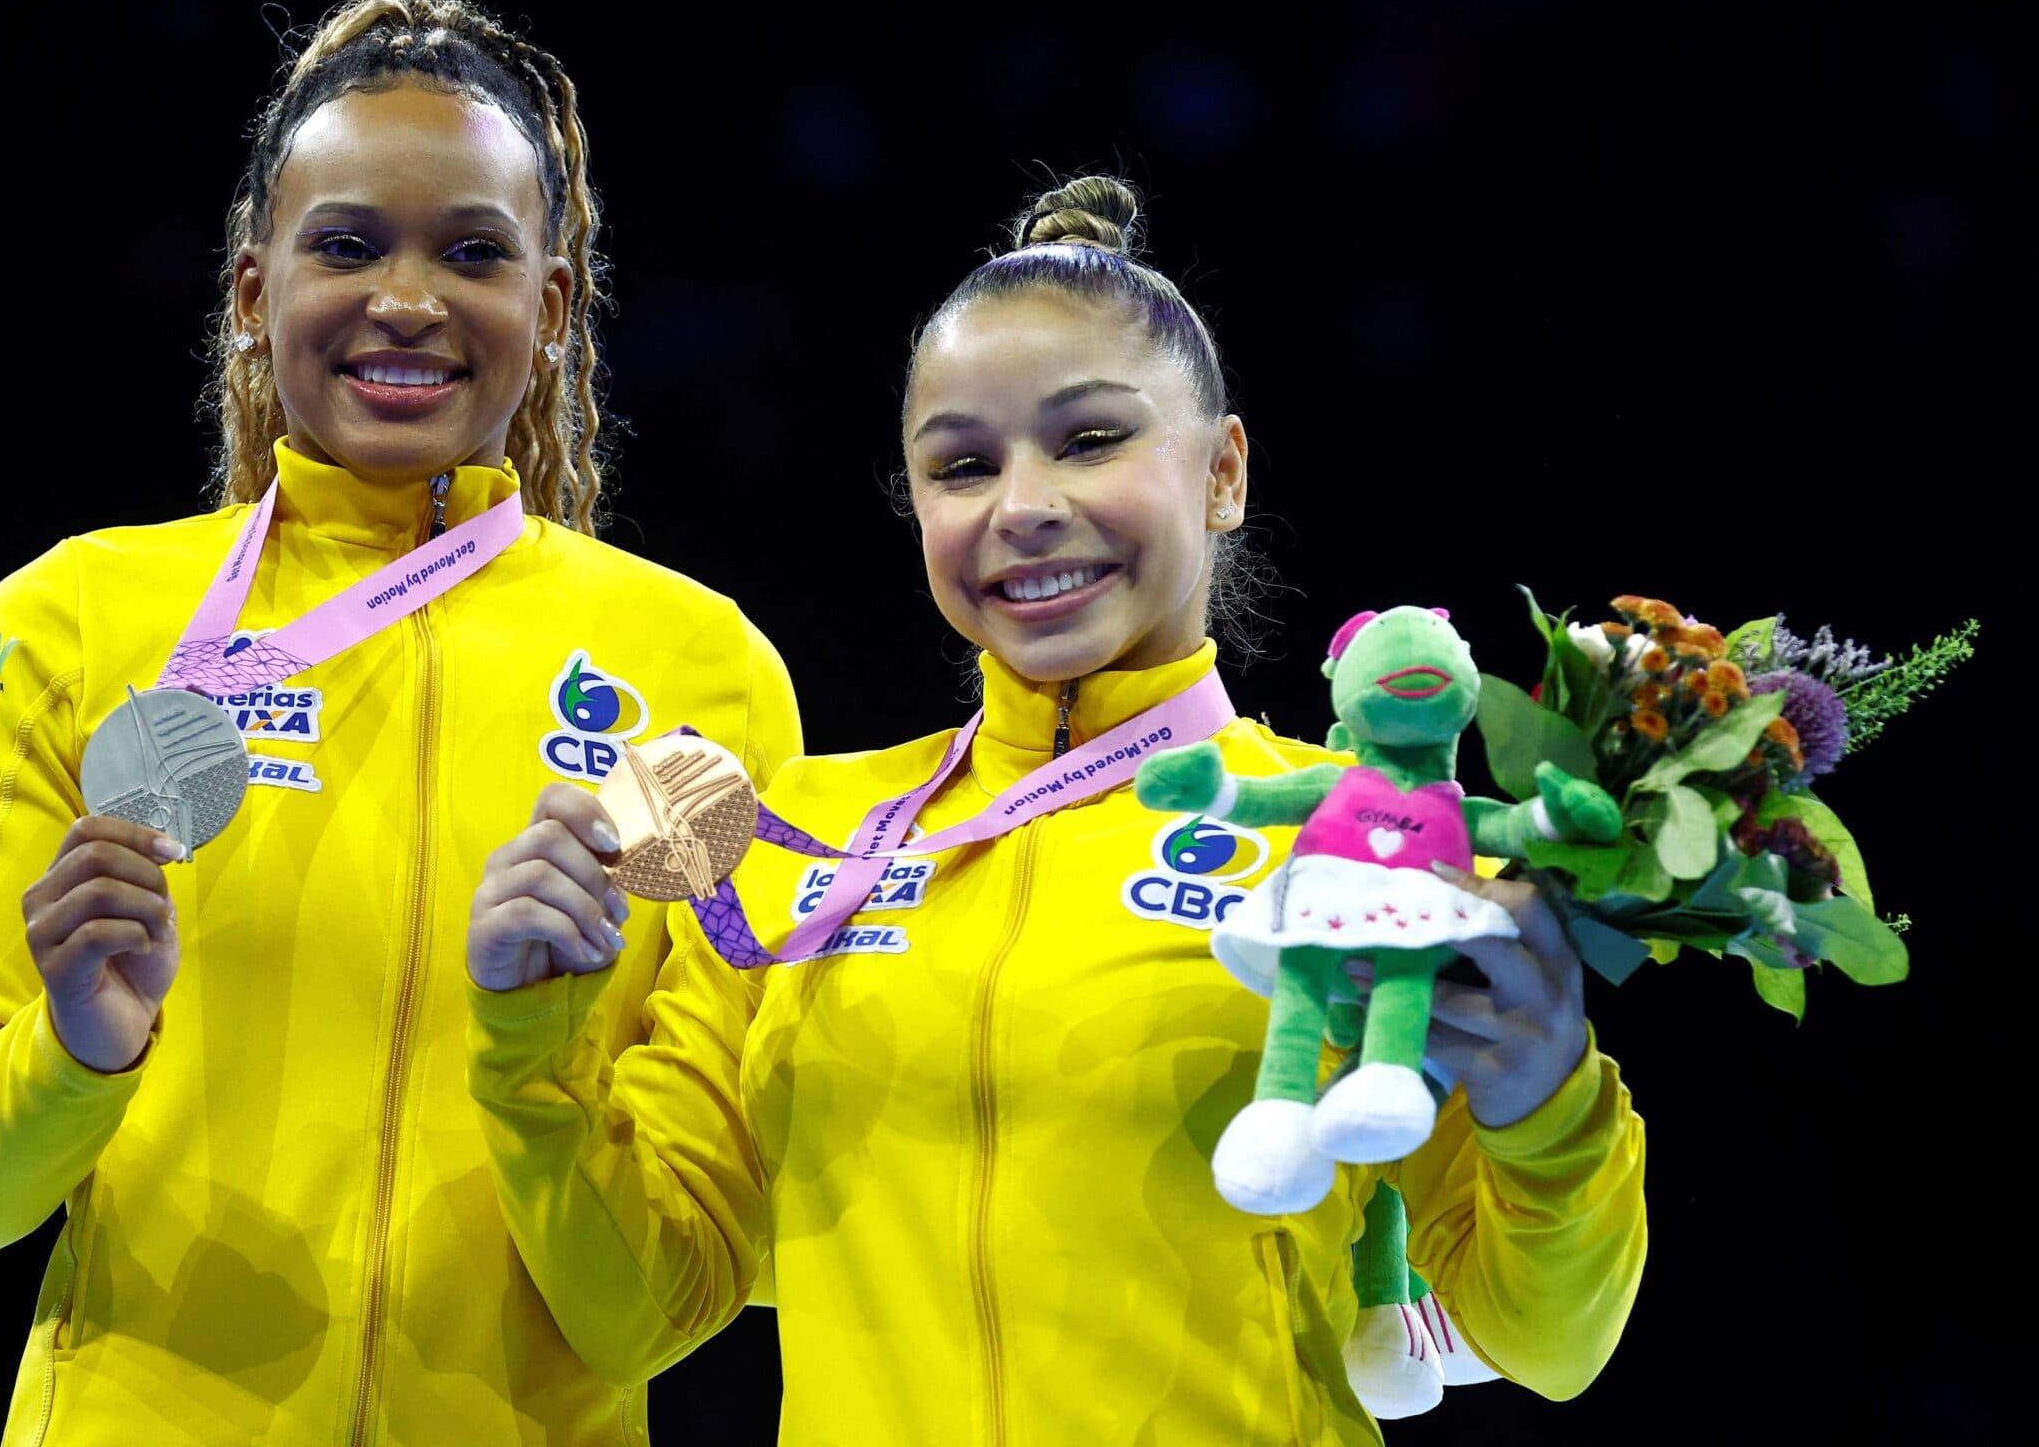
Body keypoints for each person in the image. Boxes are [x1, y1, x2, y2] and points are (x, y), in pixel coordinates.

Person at [465, 177, 1645, 1444]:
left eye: (1089, 440)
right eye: (963, 464)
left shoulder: (1356, 842)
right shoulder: (804, 837)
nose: (1021, 505)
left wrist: (1548, 1105)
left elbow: (1549, 1340)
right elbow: (645, 1308)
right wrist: (532, 1053)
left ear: (1224, 471)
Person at [0, 0, 801, 1446]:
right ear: (254, 294)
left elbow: (667, 1303)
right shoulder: (64, 627)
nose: (411, 300)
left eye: (476, 254)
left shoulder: (701, 674)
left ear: (551, 310)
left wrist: (537, 1061)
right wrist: (75, 1056)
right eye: (351, 245)